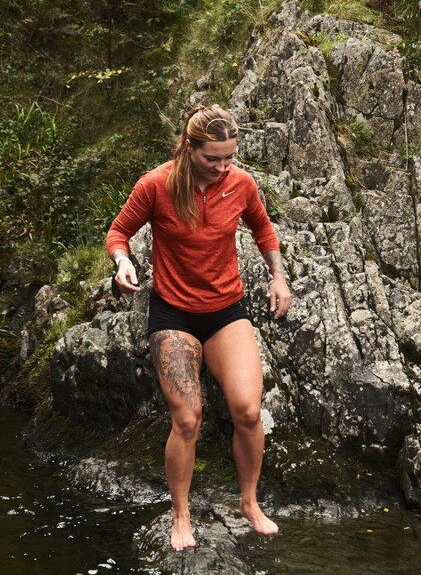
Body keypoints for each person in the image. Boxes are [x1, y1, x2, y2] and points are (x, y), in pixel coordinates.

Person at [106, 104, 292, 552]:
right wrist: (123, 262)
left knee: (248, 410)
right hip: (173, 313)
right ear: (190, 148)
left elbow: (263, 230)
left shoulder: (241, 184)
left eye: (230, 157)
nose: (223, 167)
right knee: (187, 418)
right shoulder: (155, 185)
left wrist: (278, 275)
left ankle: (249, 502)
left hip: (227, 310)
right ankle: (181, 515)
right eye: (214, 158)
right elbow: (118, 232)